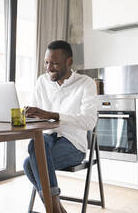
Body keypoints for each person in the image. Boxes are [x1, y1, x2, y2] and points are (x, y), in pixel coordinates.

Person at [23, 40, 98, 213]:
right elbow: (35, 115)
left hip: (72, 144)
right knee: (37, 146)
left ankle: (54, 209)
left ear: (69, 62)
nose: (49, 68)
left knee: (30, 164)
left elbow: (89, 121)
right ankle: (56, 209)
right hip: (47, 139)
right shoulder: (42, 82)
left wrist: (52, 115)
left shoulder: (85, 83)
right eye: (47, 62)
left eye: (54, 63)